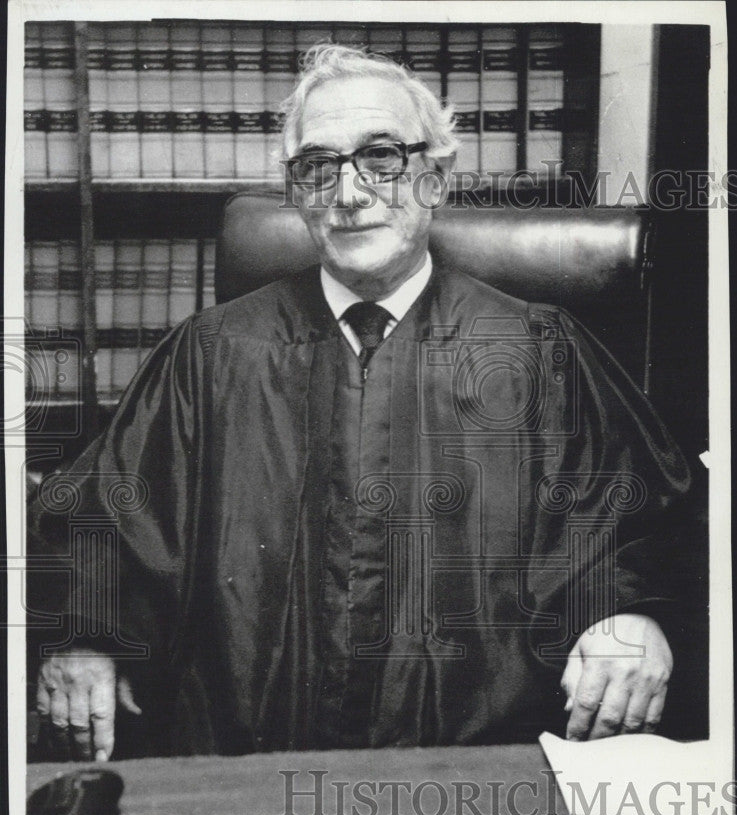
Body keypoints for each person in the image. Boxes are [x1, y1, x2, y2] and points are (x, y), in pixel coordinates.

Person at [29, 44, 697, 763]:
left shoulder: (539, 352)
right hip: (243, 767)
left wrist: (628, 615)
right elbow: (105, 523)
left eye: (381, 159)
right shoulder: (211, 354)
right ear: (297, 191)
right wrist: (86, 636)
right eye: (318, 167)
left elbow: (641, 528)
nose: (349, 193)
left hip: (481, 775)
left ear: (435, 178)